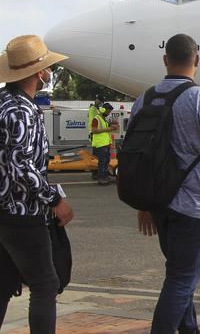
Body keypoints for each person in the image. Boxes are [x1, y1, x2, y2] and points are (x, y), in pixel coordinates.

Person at [132, 34, 200, 334]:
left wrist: (144, 205)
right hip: (195, 206)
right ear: (197, 60)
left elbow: (138, 156)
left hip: (158, 204)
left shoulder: (144, 99)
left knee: (181, 275)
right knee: (181, 280)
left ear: (165, 60)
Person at [0, 35, 74, 333]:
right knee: (45, 284)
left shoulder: (4, 103)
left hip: (3, 211)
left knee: (4, 283)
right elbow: (21, 164)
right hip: (21, 212)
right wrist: (54, 198)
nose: (48, 74)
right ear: (36, 73)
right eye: (46, 68)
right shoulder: (22, 111)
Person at [91, 102, 118, 185]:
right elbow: (94, 130)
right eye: (108, 111)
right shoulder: (96, 119)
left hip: (105, 144)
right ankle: (101, 178)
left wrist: (110, 127)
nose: (109, 113)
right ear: (103, 110)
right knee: (102, 162)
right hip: (100, 144)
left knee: (106, 161)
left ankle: (105, 176)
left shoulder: (103, 119)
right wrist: (109, 129)